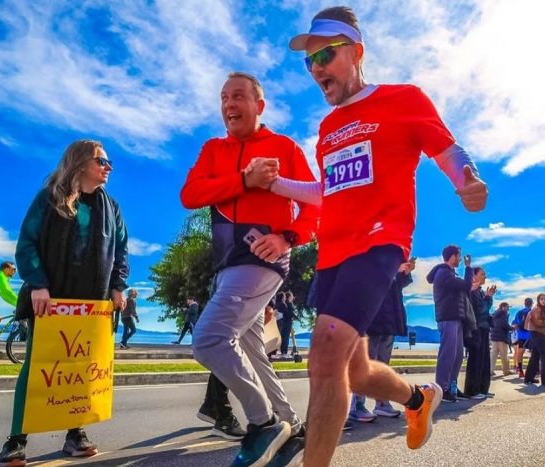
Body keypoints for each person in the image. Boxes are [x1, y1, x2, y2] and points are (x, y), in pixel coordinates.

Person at [281, 6, 489, 464]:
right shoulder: (328, 127)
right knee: (353, 371)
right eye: (309, 62)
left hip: (380, 242)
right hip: (332, 251)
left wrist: (466, 181)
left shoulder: (403, 99)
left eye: (326, 55)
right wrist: (273, 183)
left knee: (324, 357)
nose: (316, 69)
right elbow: (327, 189)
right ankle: (417, 399)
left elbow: (446, 147)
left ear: (355, 51)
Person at [180, 72, 318, 466]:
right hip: (227, 264)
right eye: (224, 98)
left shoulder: (284, 147)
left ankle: (264, 423)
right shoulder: (213, 150)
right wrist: (244, 179)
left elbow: (315, 206)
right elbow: (190, 195)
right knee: (253, 348)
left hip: (264, 259)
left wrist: (287, 238)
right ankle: (291, 425)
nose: (229, 105)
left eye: (238, 96)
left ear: (260, 104)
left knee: (208, 338)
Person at [0, 140, 129, 467]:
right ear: (82, 162)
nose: (108, 167)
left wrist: (118, 287)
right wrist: (38, 283)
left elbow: (122, 251)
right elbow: (26, 244)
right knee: (39, 367)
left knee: (81, 371)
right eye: (103, 160)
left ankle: (75, 434)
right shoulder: (49, 198)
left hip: (93, 305)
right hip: (51, 301)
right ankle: (16, 440)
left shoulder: (111, 207)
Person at [350, 257, 416, 421]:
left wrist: (404, 273)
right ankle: (356, 404)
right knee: (366, 365)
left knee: (383, 365)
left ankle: (382, 403)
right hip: (372, 321)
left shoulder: (390, 266)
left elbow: (395, 286)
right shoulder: (371, 261)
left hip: (389, 322)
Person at [427, 246, 473, 402]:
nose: (460, 259)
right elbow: (466, 286)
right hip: (448, 318)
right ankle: (442, 388)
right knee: (448, 354)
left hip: (456, 318)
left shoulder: (449, 274)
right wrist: (468, 268)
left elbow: (465, 289)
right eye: (459, 257)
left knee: (458, 354)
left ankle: (451, 386)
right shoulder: (444, 273)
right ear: (453, 256)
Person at [464, 267, 495, 398]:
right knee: (476, 359)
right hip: (476, 327)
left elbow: (486, 309)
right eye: (482, 274)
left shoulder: (480, 291)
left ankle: (482, 388)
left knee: (484, 359)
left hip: (483, 327)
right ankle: (472, 390)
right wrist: (488, 298)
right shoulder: (473, 291)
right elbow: (481, 309)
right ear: (474, 276)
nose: (485, 277)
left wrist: (488, 297)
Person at [523, 293, 545, 386]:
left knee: (535, 357)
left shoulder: (543, 309)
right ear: (538, 300)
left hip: (537, 334)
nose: (543, 301)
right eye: (541, 299)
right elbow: (538, 323)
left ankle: (528, 378)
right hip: (537, 333)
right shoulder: (536, 309)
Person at [512, 297, 534, 378]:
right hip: (531, 335)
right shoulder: (532, 311)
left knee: (520, 353)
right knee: (533, 353)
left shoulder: (519, 312)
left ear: (524, 303)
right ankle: (535, 370)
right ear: (532, 303)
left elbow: (516, 324)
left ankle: (520, 371)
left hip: (521, 335)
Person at [490, 302, 512, 376]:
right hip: (501, 337)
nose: (508, 309)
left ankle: (490, 370)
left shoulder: (495, 314)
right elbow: (504, 325)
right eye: (507, 307)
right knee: (504, 355)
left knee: (493, 355)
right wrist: (512, 328)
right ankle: (506, 370)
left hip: (493, 336)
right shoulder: (503, 314)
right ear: (504, 307)